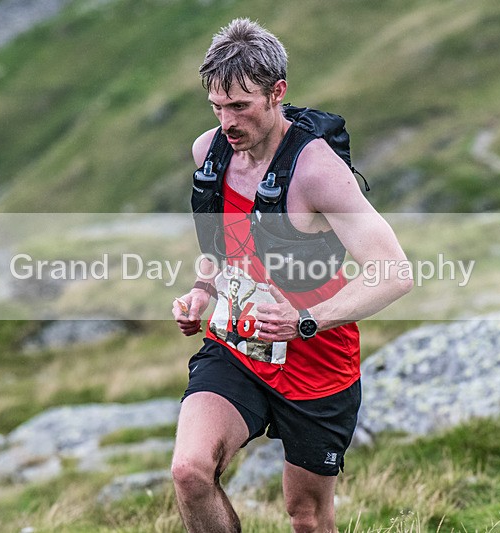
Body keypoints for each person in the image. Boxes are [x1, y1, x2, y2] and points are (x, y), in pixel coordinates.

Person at [171, 18, 412, 533]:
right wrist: (200, 291)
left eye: (241, 105)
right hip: (236, 348)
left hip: (317, 364)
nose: (226, 121)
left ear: (277, 92)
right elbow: (221, 248)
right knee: (190, 472)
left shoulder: (317, 171)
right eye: (217, 106)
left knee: (306, 516)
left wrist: (305, 320)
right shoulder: (208, 153)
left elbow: (394, 273)